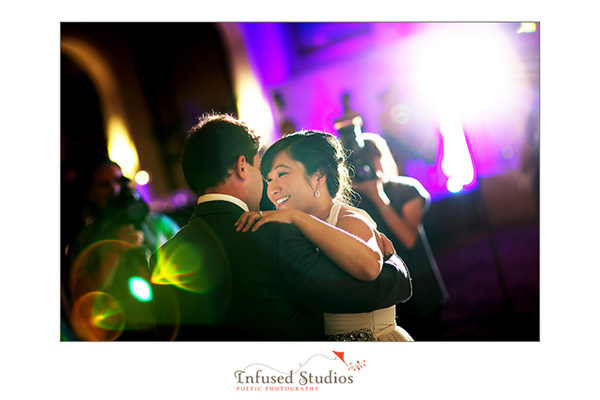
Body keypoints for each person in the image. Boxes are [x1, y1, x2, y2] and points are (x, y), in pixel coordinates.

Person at [149, 113, 412, 341]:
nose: (269, 186)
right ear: (242, 166)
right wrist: (395, 266)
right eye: (262, 171)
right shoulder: (271, 232)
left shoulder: (163, 256)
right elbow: (351, 292)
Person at [235, 131, 414, 341]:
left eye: (282, 174)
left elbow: (369, 267)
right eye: (269, 179)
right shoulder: (290, 231)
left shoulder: (349, 218)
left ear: (319, 175)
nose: (273, 189)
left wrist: (297, 218)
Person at [349, 132, 448, 340]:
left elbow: (409, 239)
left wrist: (377, 197)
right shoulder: (355, 201)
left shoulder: (407, 189)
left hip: (419, 284)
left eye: (371, 156)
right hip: (384, 291)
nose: (366, 164)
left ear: (381, 157)